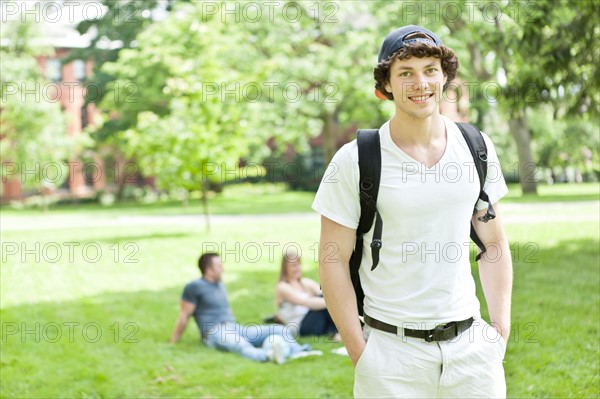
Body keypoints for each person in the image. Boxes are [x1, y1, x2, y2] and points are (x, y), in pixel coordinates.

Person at [313, 25, 513, 398]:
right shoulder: (355, 160)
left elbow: (494, 241)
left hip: (472, 352)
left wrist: (499, 329)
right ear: (386, 85)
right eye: (405, 73)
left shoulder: (476, 146)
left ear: (444, 76)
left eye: (430, 70)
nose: (420, 82)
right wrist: (361, 352)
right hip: (391, 356)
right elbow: (332, 259)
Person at [170, 252, 314, 364]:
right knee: (241, 345)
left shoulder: (219, 284)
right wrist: (173, 341)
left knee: (279, 329)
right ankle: (268, 356)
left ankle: (298, 351)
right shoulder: (194, 287)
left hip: (234, 327)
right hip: (214, 332)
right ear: (208, 270)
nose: (223, 269)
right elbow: (184, 315)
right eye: (219, 266)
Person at [275, 251, 340, 340]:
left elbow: (325, 293)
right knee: (326, 302)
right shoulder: (283, 287)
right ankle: (337, 332)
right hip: (301, 327)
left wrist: (334, 299)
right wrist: (332, 302)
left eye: (299, 264)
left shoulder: (305, 282)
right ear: (285, 268)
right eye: (294, 266)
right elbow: (306, 302)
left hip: (315, 321)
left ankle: (337, 332)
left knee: (325, 297)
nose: (297, 268)